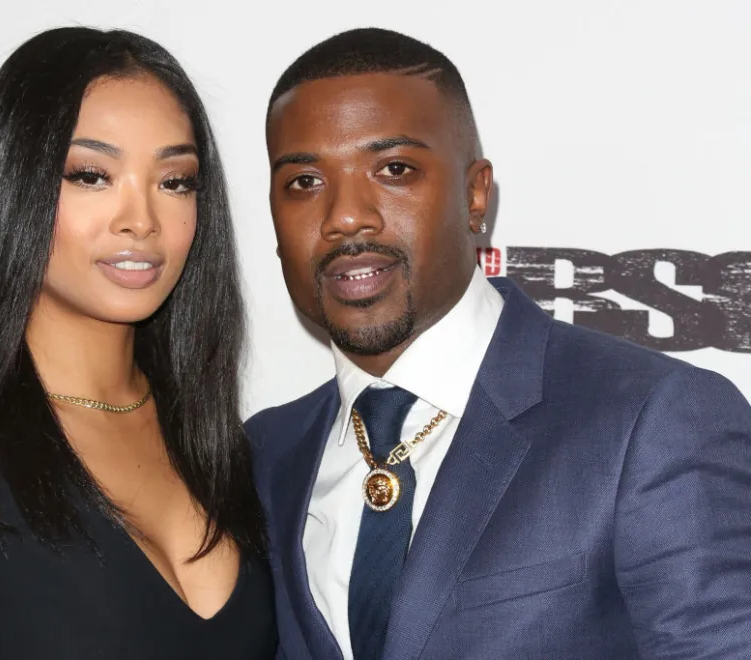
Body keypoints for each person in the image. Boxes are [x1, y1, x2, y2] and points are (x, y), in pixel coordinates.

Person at [245, 27, 751, 660]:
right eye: (304, 182)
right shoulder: (265, 453)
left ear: (475, 194)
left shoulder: (653, 419)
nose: (346, 216)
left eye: (394, 169)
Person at [0, 27, 276, 660]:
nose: (141, 220)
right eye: (91, 175)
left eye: (175, 181)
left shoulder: (228, 447)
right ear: (14, 185)